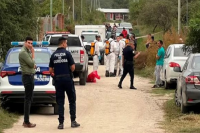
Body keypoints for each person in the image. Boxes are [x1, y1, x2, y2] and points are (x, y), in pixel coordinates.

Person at [49, 37, 80, 129]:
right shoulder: (67, 53)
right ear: (63, 44)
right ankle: (73, 121)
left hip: (58, 80)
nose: (66, 45)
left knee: (60, 102)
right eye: (66, 43)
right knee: (71, 100)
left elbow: (50, 70)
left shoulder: (53, 55)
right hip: (67, 79)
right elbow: (73, 67)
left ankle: (61, 123)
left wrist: (55, 73)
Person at [19, 37, 36, 128]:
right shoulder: (23, 52)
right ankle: (26, 122)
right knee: (28, 99)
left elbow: (32, 64)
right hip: (27, 77)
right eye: (29, 43)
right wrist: (33, 53)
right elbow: (31, 63)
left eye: (31, 43)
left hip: (30, 76)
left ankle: (26, 121)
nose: (30, 45)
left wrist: (33, 64)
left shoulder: (27, 51)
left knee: (29, 98)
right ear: (25, 42)